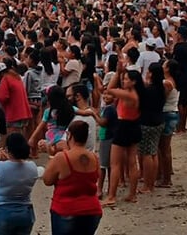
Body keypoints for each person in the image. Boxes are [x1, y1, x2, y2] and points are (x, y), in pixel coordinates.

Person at [43, 120, 102, 235]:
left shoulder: (62, 158)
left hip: (66, 209)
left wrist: (51, 154)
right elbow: (96, 176)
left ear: (69, 135)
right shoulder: (94, 158)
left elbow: (47, 180)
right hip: (92, 210)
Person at [102, 58, 141, 206]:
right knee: (132, 162)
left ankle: (112, 196)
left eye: (126, 79)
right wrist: (121, 72)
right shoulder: (136, 93)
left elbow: (110, 89)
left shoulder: (129, 95)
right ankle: (132, 193)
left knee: (116, 163)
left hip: (123, 126)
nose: (124, 81)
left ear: (133, 82)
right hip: (134, 125)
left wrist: (118, 73)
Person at [0, 133, 39, 235]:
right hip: (25, 212)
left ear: (7, 149)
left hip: (2, 211)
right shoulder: (32, 167)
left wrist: (2, 162)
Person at [138, 62, 167, 193]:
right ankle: (152, 183)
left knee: (146, 154)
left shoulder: (149, 90)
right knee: (153, 152)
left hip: (148, 123)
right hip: (159, 121)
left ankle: (147, 185)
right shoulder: (161, 88)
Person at [158, 59, 182, 187]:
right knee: (166, 147)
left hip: (167, 114)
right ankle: (168, 172)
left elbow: (162, 99)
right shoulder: (173, 81)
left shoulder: (167, 83)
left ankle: (166, 179)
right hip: (172, 113)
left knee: (163, 148)